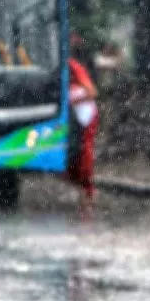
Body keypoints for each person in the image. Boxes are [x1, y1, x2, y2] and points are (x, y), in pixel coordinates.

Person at [66, 36, 99, 204]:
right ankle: (82, 184)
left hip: (86, 115)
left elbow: (92, 92)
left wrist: (72, 101)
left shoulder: (74, 67)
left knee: (85, 151)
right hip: (75, 116)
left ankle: (87, 188)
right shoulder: (63, 67)